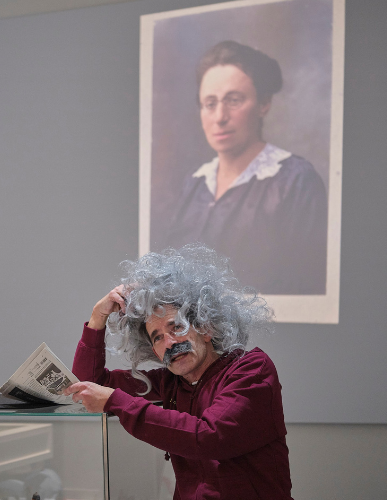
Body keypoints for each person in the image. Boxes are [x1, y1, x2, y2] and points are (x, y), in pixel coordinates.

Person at [63, 245, 292, 499]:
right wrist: (98, 317)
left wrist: (116, 402)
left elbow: (208, 436)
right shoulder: (170, 383)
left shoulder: (252, 370)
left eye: (177, 327)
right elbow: (90, 384)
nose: (169, 342)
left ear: (206, 327)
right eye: (158, 337)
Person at [163, 40, 328, 295]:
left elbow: (306, 285)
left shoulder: (295, 181)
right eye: (210, 103)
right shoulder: (194, 183)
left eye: (234, 100)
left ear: (264, 104)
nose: (220, 117)